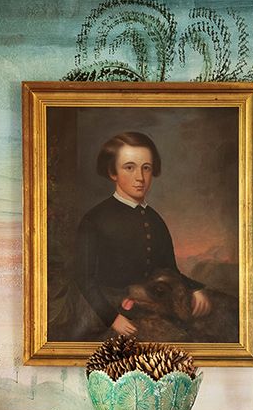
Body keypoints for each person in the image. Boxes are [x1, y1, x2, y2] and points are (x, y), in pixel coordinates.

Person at [73, 131, 212, 337]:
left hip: (150, 304)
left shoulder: (155, 220)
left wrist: (194, 289)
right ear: (113, 172)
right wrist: (112, 318)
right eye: (129, 167)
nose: (140, 177)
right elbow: (84, 279)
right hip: (109, 311)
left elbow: (169, 270)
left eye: (146, 168)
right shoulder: (94, 219)